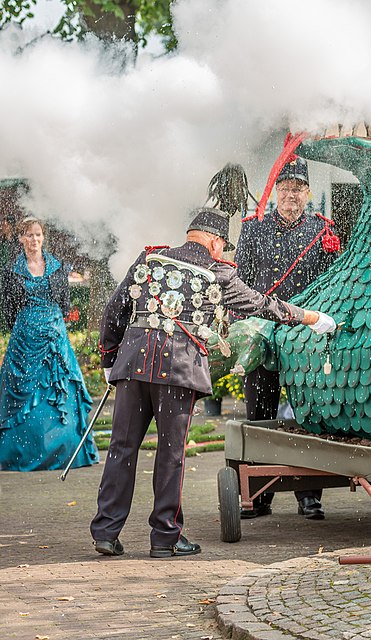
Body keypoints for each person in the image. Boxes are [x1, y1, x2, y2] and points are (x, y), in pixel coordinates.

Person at [90, 207, 336, 558]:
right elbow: (260, 305)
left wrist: (109, 358)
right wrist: (309, 317)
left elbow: (114, 310)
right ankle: (165, 537)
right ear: (216, 243)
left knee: (121, 449)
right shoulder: (218, 272)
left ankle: (105, 531)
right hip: (177, 370)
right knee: (170, 455)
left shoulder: (151, 258)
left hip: (133, 364)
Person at [234, 156, 339, 520]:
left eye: (297, 189)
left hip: (304, 339)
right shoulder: (253, 228)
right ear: (275, 191)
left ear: (308, 193)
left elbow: (332, 287)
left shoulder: (322, 231)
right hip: (263, 335)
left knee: (307, 415)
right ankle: (259, 496)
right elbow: (239, 283)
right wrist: (240, 328)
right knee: (260, 415)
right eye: (284, 188)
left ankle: (308, 496)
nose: (290, 194)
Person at [0, 217, 99, 471]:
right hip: (25, 341)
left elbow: (64, 303)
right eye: (29, 235)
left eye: (38, 235)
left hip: (55, 339)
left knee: (62, 392)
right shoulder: (11, 271)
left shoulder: (57, 267)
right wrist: (29, 325)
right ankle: (19, 454)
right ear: (21, 239)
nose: (34, 240)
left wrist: (47, 322)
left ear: (43, 237)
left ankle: (65, 451)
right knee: (22, 395)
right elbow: (9, 310)